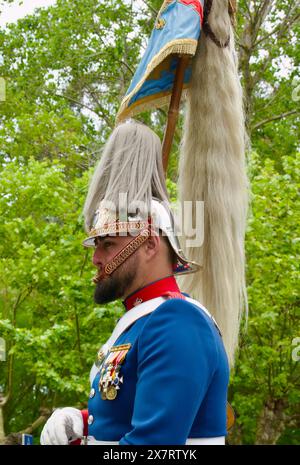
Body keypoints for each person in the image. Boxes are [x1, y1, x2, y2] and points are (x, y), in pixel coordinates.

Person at [40, 121, 231, 445]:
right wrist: (84, 423)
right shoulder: (143, 320)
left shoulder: (176, 321)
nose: (96, 258)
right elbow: (130, 415)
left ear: (150, 244)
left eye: (109, 244)